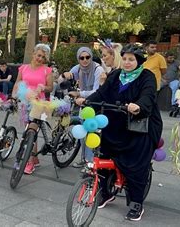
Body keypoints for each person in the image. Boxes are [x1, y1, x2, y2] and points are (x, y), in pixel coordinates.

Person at [76, 44, 162, 221]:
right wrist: (87, 101)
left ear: (138, 61)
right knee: (104, 154)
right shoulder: (115, 75)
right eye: (124, 58)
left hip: (140, 126)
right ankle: (106, 192)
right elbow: (102, 93)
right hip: (115, 122)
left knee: (136, 165)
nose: (127, 62)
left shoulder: (147, 77)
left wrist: (138, 106)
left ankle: (136, 202)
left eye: (131, 59)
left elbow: (148, 96)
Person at [59, 46, 104, 167]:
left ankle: (90, 161)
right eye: (81, 58)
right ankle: (84, 159)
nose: (85, 60)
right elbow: (61, 82)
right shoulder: (77, 68)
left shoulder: (98, 70)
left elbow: (97, 91)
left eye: (87, 57)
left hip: (96, 102)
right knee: (82, 132)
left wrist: (79, 94)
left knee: (90, 132)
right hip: (83, 102)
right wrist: (64, 75)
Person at [12, 43, 53, 175]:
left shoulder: (47, 70)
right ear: (33, 54)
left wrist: (43, 87)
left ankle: (29, 162)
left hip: (38, 104)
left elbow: (50, 87)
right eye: (38, 55)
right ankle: (34, 158)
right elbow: (17, 83)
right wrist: (13, 97)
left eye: (43, 57)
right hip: (24, 102)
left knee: (32, 130)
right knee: (27, 131)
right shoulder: (23, 68)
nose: (40, 58)